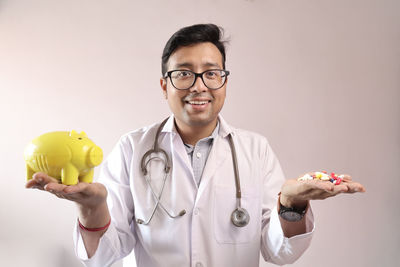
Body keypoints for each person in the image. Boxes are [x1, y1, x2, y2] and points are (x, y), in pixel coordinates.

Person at [26, 24, 366, 267]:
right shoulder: (132, 148)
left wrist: (291, 203)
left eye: (211, 73)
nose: (199, 86)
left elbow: (280, 253)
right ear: (164, 85)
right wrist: (92, 208)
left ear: (225, 82)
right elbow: (103, 256)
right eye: (184, 73)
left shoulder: (255, 150)